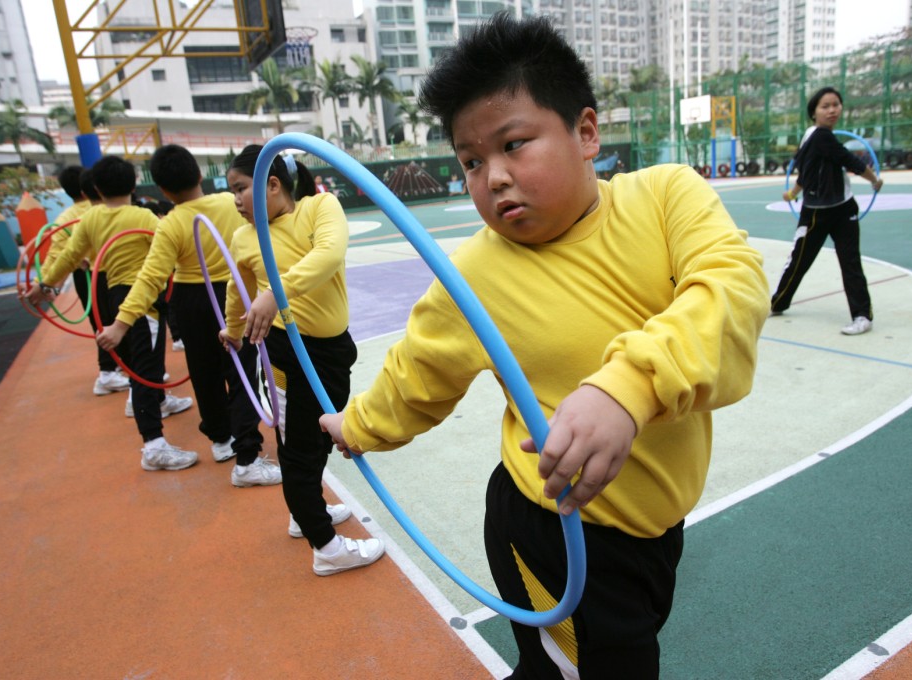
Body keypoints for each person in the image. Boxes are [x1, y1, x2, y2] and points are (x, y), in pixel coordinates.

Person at [319, 14, 768, 677]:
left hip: (655, 527)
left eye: (514, 144)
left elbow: (733, 294)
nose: (492, 176)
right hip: (551, 529)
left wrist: (627, 389)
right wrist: (355, 425)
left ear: (586, 133)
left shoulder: (668, 196)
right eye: (471, 161)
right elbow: (418, 375)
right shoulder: (471, 275)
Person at [219, 144, 382, 576]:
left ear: (272, 185)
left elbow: (327, 256)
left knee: (319, 436)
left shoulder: (319, 208)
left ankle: (304, 509)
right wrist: (234, 331)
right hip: (285, 354)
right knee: (298, 450)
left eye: (239, 189)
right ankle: (324, 545)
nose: (234, 200)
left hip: (331, 350)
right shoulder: (243, 235)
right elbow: (239, 287)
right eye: (230, 190)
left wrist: (275, 293)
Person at [96, 144, 280, 487]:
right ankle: (247, 456)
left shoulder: (171, 223)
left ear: (162, 190)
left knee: (204, 371)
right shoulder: (230, 202)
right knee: (242, 373)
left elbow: (151, 277)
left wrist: (120, 326)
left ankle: (221, 439)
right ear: (199, 174)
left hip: (191, 301)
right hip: (235, 294)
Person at [26, 155, 197, 472]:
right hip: (140, 299)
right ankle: (154, 445)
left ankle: (158, 402)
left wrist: (44, 284)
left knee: (142, 361)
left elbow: (69, 255)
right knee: (144, 370)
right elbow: (171, 252)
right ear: (134, 184)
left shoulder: (90, 219)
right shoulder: (144, 218)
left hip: (110, 294)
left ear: (97, 189)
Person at [771, 86, 883, 335]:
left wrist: (793, 192)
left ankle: (862, 316)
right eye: (825, 106)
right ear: (814, 112)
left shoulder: (818, 137)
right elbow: (812, 170)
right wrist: (874, 180)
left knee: (849, 262)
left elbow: (844, 163)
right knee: (799, 260)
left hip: (843, 211)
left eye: (836, 105)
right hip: (815, 213)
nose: (832, 110)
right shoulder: (819, 136)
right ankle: (777, 303)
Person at [41, 166, 130, 397]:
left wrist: (43, 282)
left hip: (88, 275)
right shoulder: (102, 212)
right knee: (117, 320)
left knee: (101, 321)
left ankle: (119, 366)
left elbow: (57, 253)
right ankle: (109, 371)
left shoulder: (67, 217)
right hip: (106, 272)